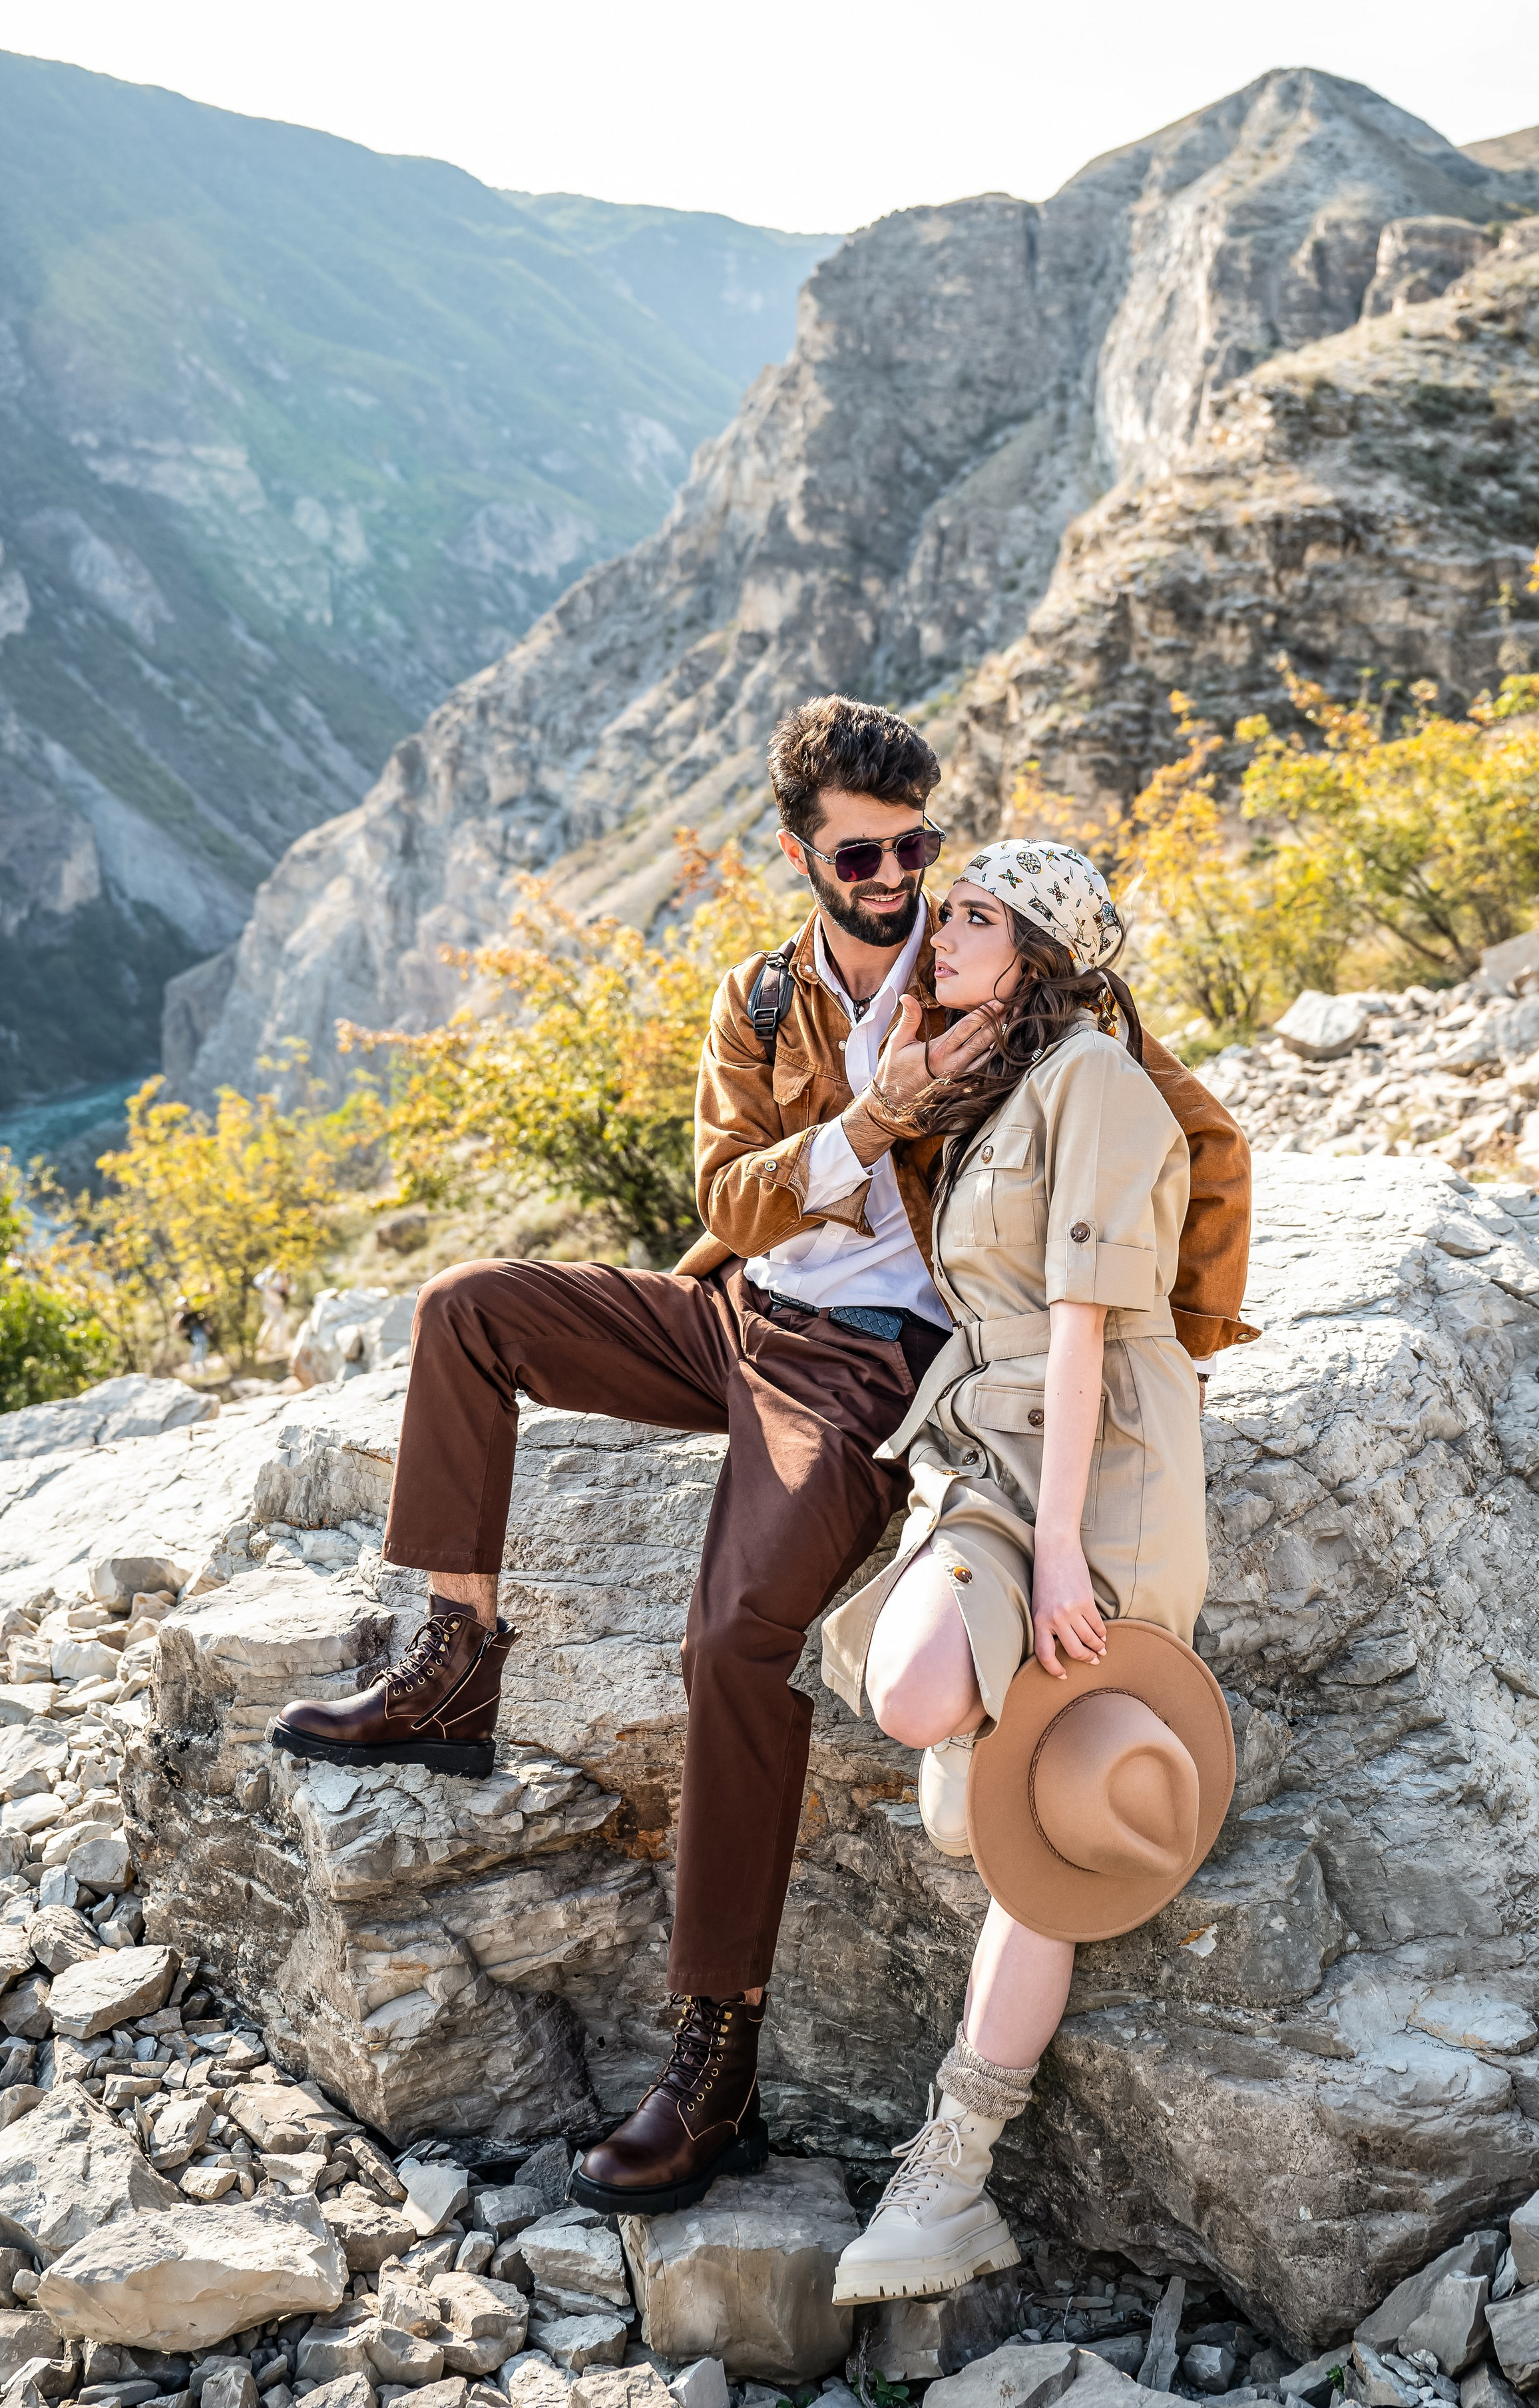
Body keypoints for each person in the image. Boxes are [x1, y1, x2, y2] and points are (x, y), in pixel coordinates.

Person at [268, 698, 1254, 2220]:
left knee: (737, 1637)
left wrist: (1170, 1334)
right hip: (735, 1310)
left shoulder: (996, 972)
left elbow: (1170, 1125)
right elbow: (730, 1199)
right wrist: (871, 1120)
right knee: (465, 1309)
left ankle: (713, 2053)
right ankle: (456, 1658)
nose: (899, 876)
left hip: (870, 1369)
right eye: (863, 851)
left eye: (919, 846)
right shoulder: (761, 995)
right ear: (800, 850)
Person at [821, 842, 1243, 2304]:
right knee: (912, 1687)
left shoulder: (1097, 1087)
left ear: (1044, 950)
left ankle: (954, 2163)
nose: (936, 930)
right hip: (995, 1446)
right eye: (941, 912)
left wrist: (1058, 1547)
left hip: (1104, 1469)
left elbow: (1082, 1333)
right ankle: (982, 1724)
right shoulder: (993, 1083)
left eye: (971, 916)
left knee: (1045, 1822)